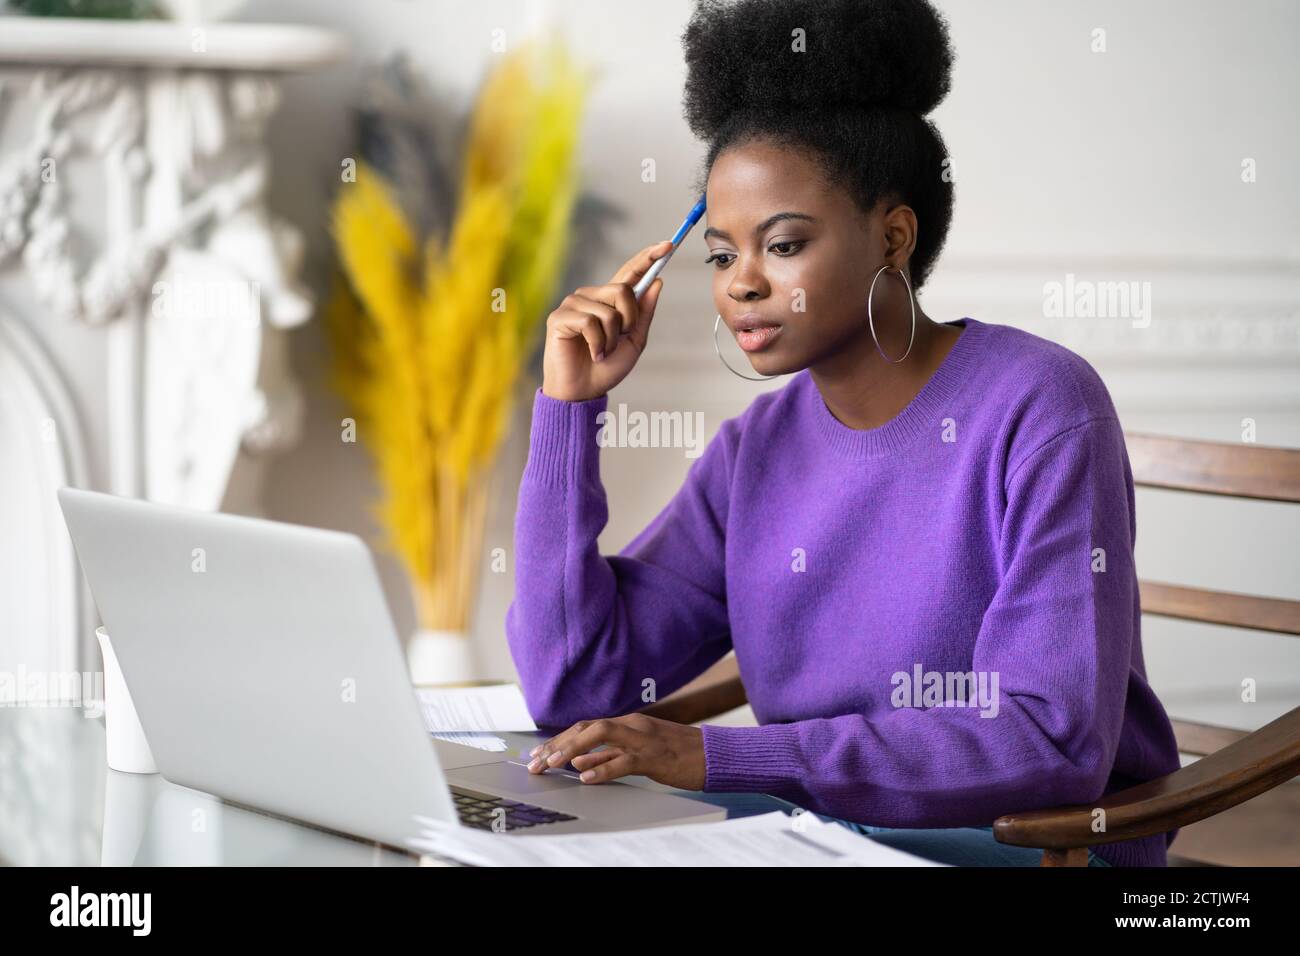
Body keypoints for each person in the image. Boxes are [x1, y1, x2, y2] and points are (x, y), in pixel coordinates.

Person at [505, 0, 1182, 866]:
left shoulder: (1041, 406)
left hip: (1019, 846)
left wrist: (718, 757)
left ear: (893, 237)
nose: (742, 284)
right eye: (720, 255)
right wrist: (568, 411)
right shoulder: (757, 451)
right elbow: (573, 684)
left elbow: (1047, 742)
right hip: (813, 841)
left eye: (781, 245)